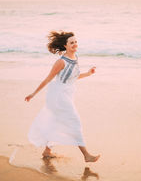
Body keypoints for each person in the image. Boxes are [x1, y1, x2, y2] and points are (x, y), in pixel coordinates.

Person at [25, 31, 100, 163]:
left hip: (67, 94)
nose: (75, 44)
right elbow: (48, 79)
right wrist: (33, 93)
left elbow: (73, 77)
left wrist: (88, 74)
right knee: (74, 121)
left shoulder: (75, 57)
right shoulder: (61, 62)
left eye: (75, 42)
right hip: (58, 96)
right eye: (71, 43)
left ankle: (47, 151)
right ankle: (86, 155)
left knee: (56, 121)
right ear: (65, 45)